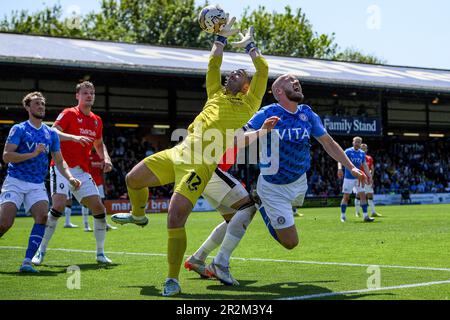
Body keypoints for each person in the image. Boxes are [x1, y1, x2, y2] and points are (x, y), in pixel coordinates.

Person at [111, 17, 269, 296]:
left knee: (175, 218)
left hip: (201, 165)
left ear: (246, 86)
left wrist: (250, 47)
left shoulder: (249, 104)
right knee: (132, 179)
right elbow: (213, 64)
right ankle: (138, 215)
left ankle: (172, 279)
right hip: (177, 152)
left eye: (239, 74)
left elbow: (263, 70)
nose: (233, 74)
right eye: (232, 73)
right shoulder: (214, 94)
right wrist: (220, 37)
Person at [186, 73, 369, 285]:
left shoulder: (307, 114)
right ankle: (253, 213)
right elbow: (237, 138)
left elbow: (328, 143)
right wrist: (262, 131)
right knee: (290, 243)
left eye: (297, 82)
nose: (296, 83)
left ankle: (201, 258)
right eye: (290, 81)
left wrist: (352, 167)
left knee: (234, 218)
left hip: (299, 183)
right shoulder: (269, 112)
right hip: (273, 188)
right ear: (279, 91)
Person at [32, 81, 114, 266]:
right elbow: (52, 132)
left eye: (92, 93)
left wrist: (106, 159)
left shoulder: (96, 120)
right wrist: (73, 137)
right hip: (62, 167)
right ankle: (40, 251)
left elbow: (99, 144)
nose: (89, 96)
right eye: (85, 93)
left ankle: (100, 253)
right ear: (77, 96)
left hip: (82, 170)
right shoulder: (69, 113)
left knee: (99, 208)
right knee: (59, 205)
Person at [0, 92, 81, 273]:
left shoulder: (50, 133)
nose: (41, 107)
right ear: (27, 107)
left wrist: (70, 177)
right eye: (37, 104)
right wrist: (33, 154)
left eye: (43, 104)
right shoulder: (19, 129)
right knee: (5, 223)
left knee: (43, 217)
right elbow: (6, 156)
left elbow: (59, 161)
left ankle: (27, 262)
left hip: (36, 184)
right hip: (15, 181)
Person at [337, 137, 374, 223]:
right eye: (356, 142)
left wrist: (369, 176)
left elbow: (365, 165)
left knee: (363, 196)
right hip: (348, 178)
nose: (357, 143)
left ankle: (365, 216)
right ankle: (342, 216)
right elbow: (340, 159)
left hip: (359, 178)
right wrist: (339, 169)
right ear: (353, 142)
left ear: (360, 144)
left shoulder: (362, 153)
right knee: (346, 197)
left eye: (359, 142)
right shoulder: (348, 151)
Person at [81, 148, 117, 232]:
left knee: (101, 203)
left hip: (99, 183)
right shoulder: (87, 155)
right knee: (85, 204)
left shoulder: (99, 157)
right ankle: (86, 225)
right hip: (88, 182)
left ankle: (104, 224)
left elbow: (102, 173)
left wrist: (105, 185)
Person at [354, 143, 381, 217]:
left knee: (370, 195)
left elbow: (372, 168)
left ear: (366, 149)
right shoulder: (357, 157)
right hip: (359, 178)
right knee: (358, 195)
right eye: (362, 148)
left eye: (365, 148)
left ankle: (373, 212)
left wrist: (371, 178)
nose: (363, 149)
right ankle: (357, 212)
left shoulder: (369, 158)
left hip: (368, 179)